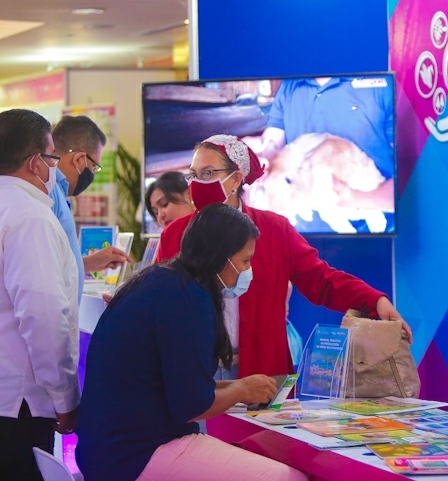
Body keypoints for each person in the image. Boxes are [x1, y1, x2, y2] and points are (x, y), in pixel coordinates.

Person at [76, 204, 308, 481]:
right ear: (221, 256)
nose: (248, 271)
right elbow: (192, 405)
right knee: (288, 477)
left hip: (105, 449)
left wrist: (239, 386)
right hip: (135, 454)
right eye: (245, 261)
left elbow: (178, 384)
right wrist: (241, 389)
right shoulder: (188, 299)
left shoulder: (160, 281)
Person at [157, 134, 411, 380]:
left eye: (207, 173)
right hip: (195, 372)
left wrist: (374, 299)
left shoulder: (274, 229)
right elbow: (159, 301)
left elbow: (321, 280)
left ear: (235, 179)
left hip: (261, 370)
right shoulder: (175, 234)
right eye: (193, 174)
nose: (196, 183)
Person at [0, 109, 80, 480]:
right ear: (35, 163)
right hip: (19, 402)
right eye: (52, 159)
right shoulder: (29, 216)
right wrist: (64, 396)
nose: (55, 171)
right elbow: (44, 316)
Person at [259, 76, 395, 230]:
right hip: (299, 232)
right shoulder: (288, 86)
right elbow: (271, 147)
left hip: (371, 230)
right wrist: (255, 155)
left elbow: (411, 179)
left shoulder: (383, 84)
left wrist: (355, 199)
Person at [50, 115, 130, 302]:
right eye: (94, 167)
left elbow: (59, 262)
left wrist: (89, 263)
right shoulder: (50, 193)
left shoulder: (58, 192)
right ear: (79, 160)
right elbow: (45, 267)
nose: (92, 174)